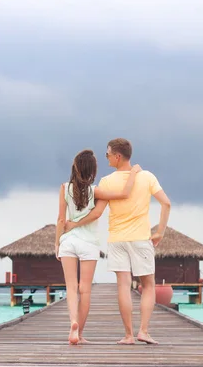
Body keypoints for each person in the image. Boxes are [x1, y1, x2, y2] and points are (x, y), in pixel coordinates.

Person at [65, 138, 171, 345]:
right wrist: (160, 232)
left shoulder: (106, 182)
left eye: (107, 154)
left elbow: (97, 212)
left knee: (123, 285)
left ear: (117, 156)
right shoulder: (147, 176)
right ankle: (144, 331)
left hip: (116, 239)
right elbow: (166, 203)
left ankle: (129, 335)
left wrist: (73, 224)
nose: (106, 158)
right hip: (141, 238)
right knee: (148, 285)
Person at [55, 149, 142, 345]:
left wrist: (57, 242)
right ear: (92, 170)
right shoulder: (96, 191)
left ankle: (73, 323)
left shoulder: (64, 188)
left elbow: (61, 219)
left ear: (75, 168)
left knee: (70, 287)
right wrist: (134, 173)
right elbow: (123, 194)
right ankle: (80, 332)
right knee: (84, 289)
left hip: (68, 241)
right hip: (89, 244)